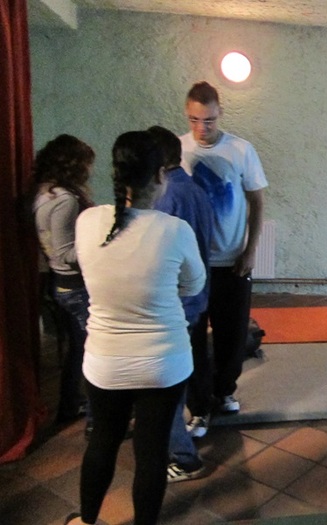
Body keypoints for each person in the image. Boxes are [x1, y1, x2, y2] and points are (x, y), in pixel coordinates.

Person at [66, 131, 206, 525]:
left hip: (106, 361)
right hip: (164, 362)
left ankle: (87, 521)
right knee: (152, 452)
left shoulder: (88, 221)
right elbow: (193, 285)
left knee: (103, 442)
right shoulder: (175, 230)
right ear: (161, 175)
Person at [180, 81, 268, 434]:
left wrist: (251, 250)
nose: (202, 128)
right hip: (193, 263)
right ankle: (199, 407)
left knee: (232, 336)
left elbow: (257, 202)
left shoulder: (241, 150)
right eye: (194, 120)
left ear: (220, 114)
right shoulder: (178, 149)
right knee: (193, 338)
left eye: (209, 120)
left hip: (232, 261)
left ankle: (224, 390)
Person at [149, 125, 214, 483]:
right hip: (196, 294)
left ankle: (183, 455)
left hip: (176, 300)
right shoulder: (195, 189)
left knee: (166, 383)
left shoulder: (167, 195)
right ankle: (190, 425)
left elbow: (161, 254)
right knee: (185, 367)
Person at [32, 134, 95, 432]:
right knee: (90, 349)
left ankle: (72, 403)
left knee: (79, 347)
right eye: (86, 164)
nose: (89, 170)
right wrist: (99, 245)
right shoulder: (65, 200)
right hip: (74, 284)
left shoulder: (44, 192)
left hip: (61, 283)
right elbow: (64, 252)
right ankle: (90, 412)